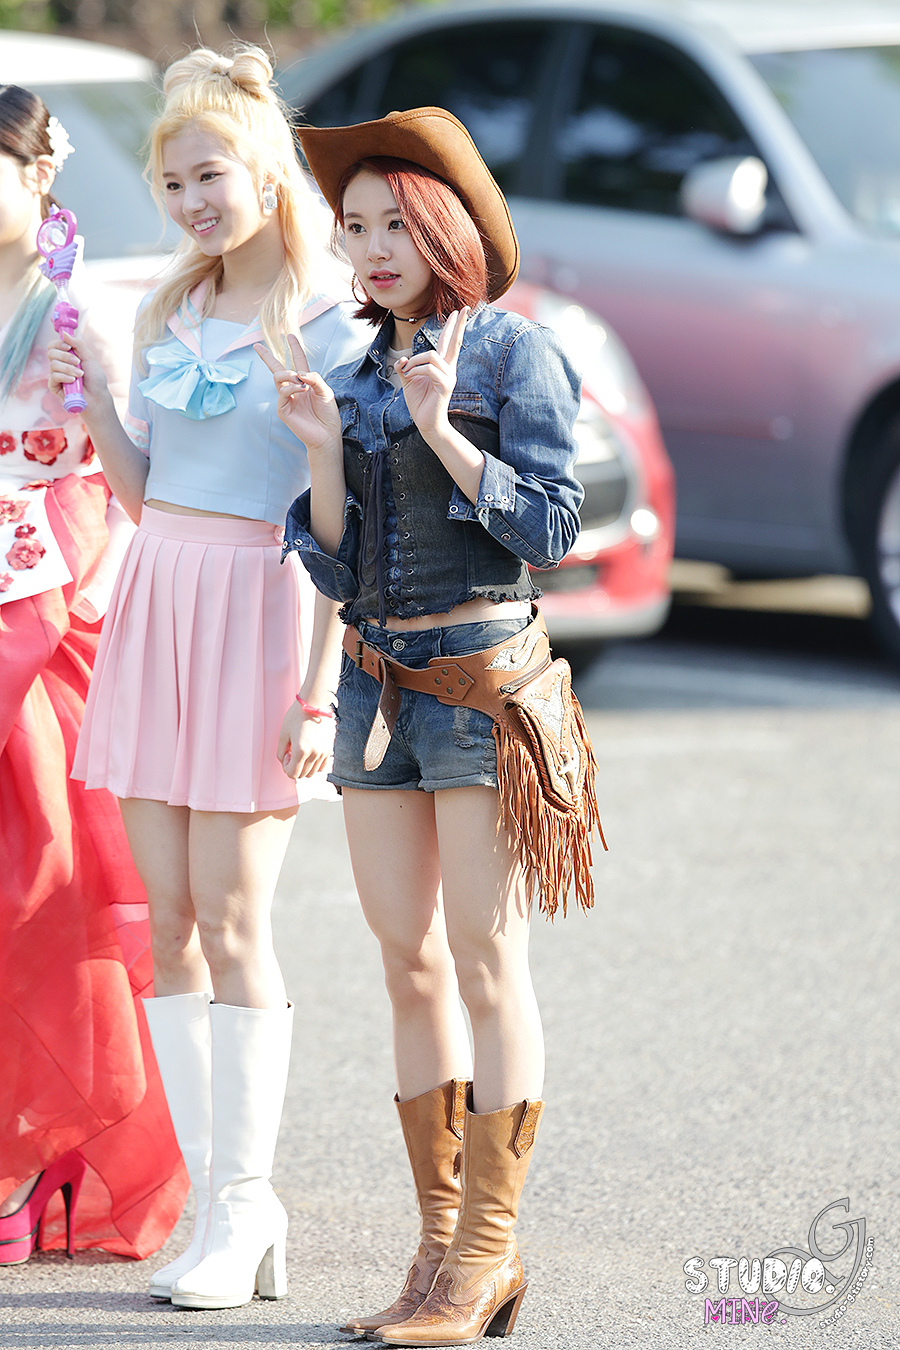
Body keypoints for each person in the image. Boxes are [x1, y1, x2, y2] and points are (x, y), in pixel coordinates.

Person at [258, 107, 595, 1346]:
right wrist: (322, 456)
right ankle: (439, 1244)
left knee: (485, 959)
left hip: (483, 689)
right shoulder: (352, 374)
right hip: (375, 693)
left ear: (446, 226)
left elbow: (551, 531)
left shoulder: (512, 353)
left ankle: (488, 1252)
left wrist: (445, 428)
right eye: (355, 228)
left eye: (396, 224)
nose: (373, 248)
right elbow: (335, 568)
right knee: (406, 962)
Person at [48, 47, 368, 1310]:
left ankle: (246, 1204)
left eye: (209, 175)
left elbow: (339, 535)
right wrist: (98, 396)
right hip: (157, 602)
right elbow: (143, 494)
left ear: (264, 171)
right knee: (167, 921)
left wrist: (316, 692)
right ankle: (212, 1207)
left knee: (236, 922)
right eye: (172, 182)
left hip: (256, 614)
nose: (190, 201)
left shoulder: (330, 319)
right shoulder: (162, 311)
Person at [0, 85, 190, 1261]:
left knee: (48, 893)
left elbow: (130, 492)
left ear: (39, 177)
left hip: (49, 614)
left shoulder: (79, 317)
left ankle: (37, 1156)